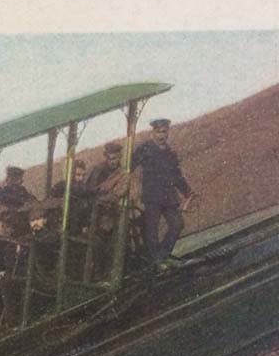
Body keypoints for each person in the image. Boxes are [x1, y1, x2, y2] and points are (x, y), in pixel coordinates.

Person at [131, 118, 197, 267]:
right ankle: (158, 261)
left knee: (177, 224)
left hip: (169, 197)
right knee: (151, 230)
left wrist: (187, 191)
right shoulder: (145, 149)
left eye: (164, 132)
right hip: (152, 197)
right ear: (152, 132)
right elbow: (129, 167)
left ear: (168, 132)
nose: (162, 135)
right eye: (158, 132)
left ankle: (161, 256)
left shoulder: (170, 153)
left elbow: (177, 175)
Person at [84, 142, 131, 279]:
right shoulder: (97, 170)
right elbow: (88, 189)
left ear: (120, 157)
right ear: (105, 157)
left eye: (115, 158)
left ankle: (105, 275)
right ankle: (95, 274)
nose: (112, 162)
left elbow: (116, 195)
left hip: (109, 215)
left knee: (106, 244)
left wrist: (99, 196)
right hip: (92, 214)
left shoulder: (123, 175)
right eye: (110, 158)